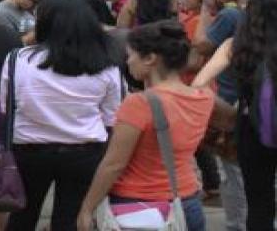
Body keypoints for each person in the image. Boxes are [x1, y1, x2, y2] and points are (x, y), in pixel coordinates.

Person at [0, 0, 123, 231]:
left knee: (22, 216)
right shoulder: (106, 64)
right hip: (85, 151)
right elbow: (111, 116)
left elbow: (7, 107)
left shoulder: (18, 59)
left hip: (29, 150)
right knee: (70, 218)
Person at [77, 20, 214, 231]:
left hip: (138, 208)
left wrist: (87, 208)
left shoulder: (139, 103)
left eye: (131, 55)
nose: (128, 61)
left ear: (150, 58)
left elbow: (114, 164)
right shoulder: (203, 97)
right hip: (187, 202)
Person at [195, 0, 277, 230]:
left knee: (259, 201)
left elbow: (199, 85)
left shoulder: (235, 46)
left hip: (251, 127)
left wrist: (227, 114)